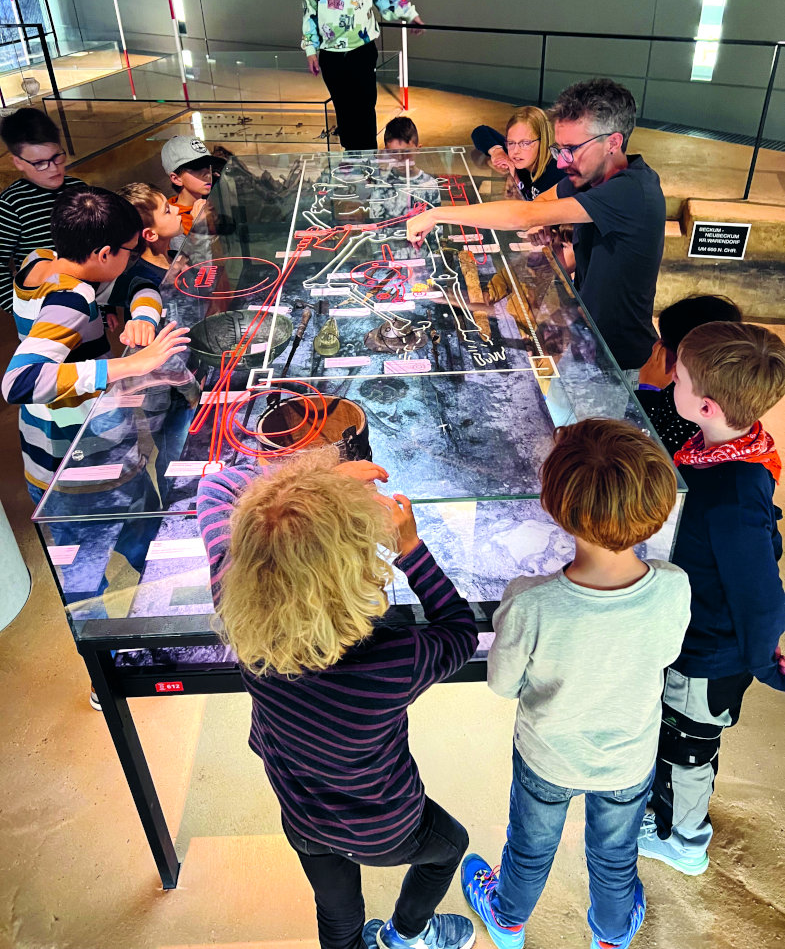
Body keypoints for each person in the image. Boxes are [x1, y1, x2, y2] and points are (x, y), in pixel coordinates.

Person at [196, 447, 478, 949]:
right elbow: (460, 632)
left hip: (302, 815)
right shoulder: (394, 659)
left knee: (337, 912)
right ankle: (408, 934)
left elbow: (213, 489)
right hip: (386, 824)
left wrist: (305, 489)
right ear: (353, 566)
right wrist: (411, 548)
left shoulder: (236, 605)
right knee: (449, 846)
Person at [461, 418, 691, 949]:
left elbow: (501, 685)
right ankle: (610, 936)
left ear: (555, 503)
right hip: (629, 757)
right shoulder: (673, 586)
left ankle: (508, 921)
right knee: (614, 857)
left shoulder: (530, 600)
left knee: (529, 848)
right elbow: (668, 654)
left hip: (548, 757)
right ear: (656, 506)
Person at [638, 321, 785, 876]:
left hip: (710, 653)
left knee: (690, 746)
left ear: (705, 406)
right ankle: (669, 813)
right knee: (674, 736)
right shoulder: (733, 451)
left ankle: (685, 840)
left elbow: (760, 593)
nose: (670, 379)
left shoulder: (732, 492)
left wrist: (762, 662)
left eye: (678, 378)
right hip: (694, 634)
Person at [407, 79, 666, 378]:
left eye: (572, 149)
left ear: (613, 142)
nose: (562, 162)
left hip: (618, 360)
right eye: (560, 148)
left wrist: (437, 214)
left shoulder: (632, 191)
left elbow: (525, 214)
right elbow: (543, 204)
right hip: (588, 338)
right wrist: (548, 225)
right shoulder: (591, 177)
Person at [1, 187, 190, 502]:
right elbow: (18, 382)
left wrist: (143, 317)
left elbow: (138, 285)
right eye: (130, 251)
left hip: (45, 457)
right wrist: (132, 364)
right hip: (84, 458)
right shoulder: (72, 300)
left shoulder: (41, 260)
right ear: (104, 254)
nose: (131, 258)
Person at [302, 0, 423, 151]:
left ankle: (369, 162)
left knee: (365, 108)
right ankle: (351, 164)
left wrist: (408, 13)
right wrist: (311, 48)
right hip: (331, 55)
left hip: (362, 49)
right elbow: (309, 10)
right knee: (344, 111)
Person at [0, 107, 86, 312]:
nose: (54, 168)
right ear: (18, 162)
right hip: (43, 312)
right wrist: (21, 309)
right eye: (40, 163)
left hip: (89, 301)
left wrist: (106, 306)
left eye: (57, 157)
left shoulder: (80, 190)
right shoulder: (11, 204)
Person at [636, 294, 742, 455]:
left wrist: (647, 390)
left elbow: (635, 450)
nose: (656, 347)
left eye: (664, 343)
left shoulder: (696, 411)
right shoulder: (714, 383)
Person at [109, 182, 184, 321]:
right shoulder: (143, 282)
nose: (176, 209)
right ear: (150, 235)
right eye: (167, 210)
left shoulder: (176, 257)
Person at [471, 106, 561, 201]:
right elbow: (480, 131)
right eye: (511, 142)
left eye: (525, 143)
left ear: (543, 141)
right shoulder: (515, 153)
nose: (515, 151)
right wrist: (497, 152)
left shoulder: (557, 174)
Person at [369, 117, 441, 222]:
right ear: (386, 152)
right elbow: (376, 223)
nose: (400, 159)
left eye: (406, 152)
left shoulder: (430, 184)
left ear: (418, 149)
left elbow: (435, 222)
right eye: (394, 153)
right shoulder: (381, 184)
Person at [161, 134, 220, 236]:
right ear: (176, 178)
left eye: (208, 166)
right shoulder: (174, 222)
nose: (207, 173)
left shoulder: (212, 202)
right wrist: (198, 227)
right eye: (196, 168)